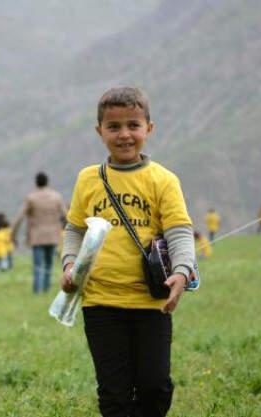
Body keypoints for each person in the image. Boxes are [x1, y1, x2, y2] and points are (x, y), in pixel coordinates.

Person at [61, 87, 195, 417]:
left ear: (149, 128)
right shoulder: (88, 179)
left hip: (152, 303)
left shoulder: (163, 180)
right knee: (113, 393)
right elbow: (75, 229)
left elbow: (179, 231)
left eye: (133, 125)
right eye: (114, 127)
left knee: (155, 386)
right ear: (100, 132)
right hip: (100, 303)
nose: (124, 135)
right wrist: (69, 265)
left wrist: (182, 271)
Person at [12, 172, 67, 293]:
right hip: (53, 235)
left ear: (36, 182)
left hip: (36, 236)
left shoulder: (31, 198)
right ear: (47, 181)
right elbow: (66, 215)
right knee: (49, 264)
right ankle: (46, 289)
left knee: (37, 265)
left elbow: (20, 217)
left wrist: (13, 234)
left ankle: (37, 290)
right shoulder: (56, 197)